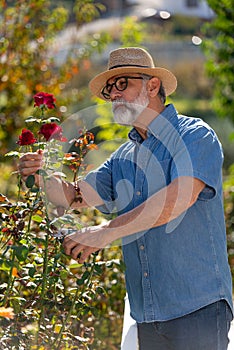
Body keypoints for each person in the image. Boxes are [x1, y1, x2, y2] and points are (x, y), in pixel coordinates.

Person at [19, 47, 233, 350]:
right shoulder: (123, 157)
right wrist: (40, 175)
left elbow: (176, 200)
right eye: (110, 89)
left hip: (197, 309)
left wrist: (105, 232)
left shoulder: (194, 135)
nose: (114, 95)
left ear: (153, 85)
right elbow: (74, 195)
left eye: (123, 84)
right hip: (148, 315)